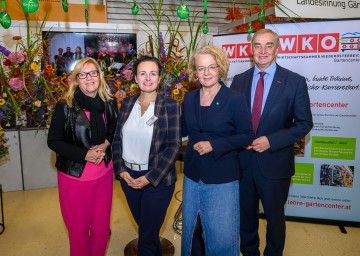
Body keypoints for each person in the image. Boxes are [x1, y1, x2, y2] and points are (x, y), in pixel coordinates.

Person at [230, 29, 313, 256]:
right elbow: (232, 120)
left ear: (277, 49)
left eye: (268, 46)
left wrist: (271, 141)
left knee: (275, 220)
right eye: (258, 45)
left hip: (275, 164)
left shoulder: (294, 82)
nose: (263, 51)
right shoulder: (238, 81)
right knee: (246, 217)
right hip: (243, 164)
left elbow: (304, 124)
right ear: (251, 49)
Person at [180, 45, 253, 255]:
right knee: (192, 231)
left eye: (211, 67)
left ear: (220, 68)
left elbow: (246, 135)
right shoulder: (190, 98)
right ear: (195, 71)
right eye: (201, 68)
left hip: (223, 177)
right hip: (193, 176)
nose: (206, 73)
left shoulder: (234, 99)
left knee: (222, 234)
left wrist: (214, 145)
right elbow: (184, 129)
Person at [47, 57, 118, 256]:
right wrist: (84, 154)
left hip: (104, 175)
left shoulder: (109, 103)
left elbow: (113, 131)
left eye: (93, 73)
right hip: (75, 178)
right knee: (78, 234)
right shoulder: (65, 106)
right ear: (76, 79)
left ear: (99, 76)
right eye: (83, 74)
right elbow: (54, 141)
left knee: (102, 230)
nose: (89, 78)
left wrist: (105, 144)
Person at [112, 55, 181, 255]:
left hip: (156, 179)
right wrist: (120, 170)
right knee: (145, 228)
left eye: (153, 74)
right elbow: (117, 139)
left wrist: (149, 178)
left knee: (148, 235)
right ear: (135, 78)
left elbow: (173, 145)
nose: (148, 78)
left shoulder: (170, 106)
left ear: (159, 78)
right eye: (143, 73)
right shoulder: (126, 104)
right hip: (128, 178)